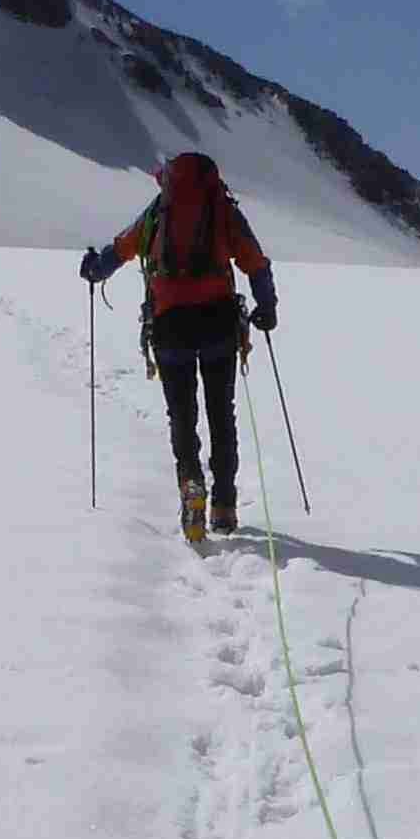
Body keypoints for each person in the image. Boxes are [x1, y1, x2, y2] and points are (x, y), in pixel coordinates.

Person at [82, 148, 276, 545]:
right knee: (222, 414)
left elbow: (120, 249)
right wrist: (266, 306)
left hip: (170, 326)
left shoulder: (159, 212)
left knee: (182, 416)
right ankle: (224, 503)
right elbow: (255, 261)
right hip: (219, 324)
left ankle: (191, 485)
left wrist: (93, 269)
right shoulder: (223, 210)